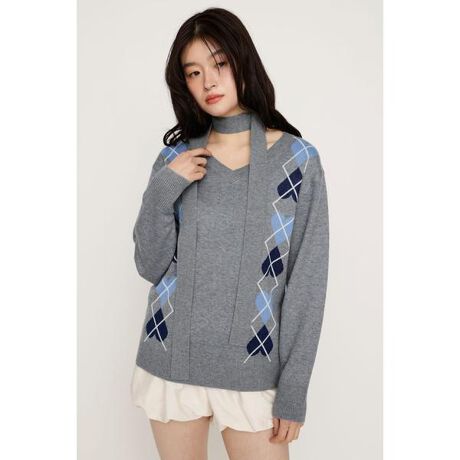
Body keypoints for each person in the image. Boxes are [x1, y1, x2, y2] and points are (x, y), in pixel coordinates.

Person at [130, 7, 330, 459]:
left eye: (219, 63)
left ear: (242, 61)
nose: (208, 82)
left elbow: (307, 284)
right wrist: (163, 189)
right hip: (171, 364)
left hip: (253, 371)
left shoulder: (297, 162)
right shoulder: (175, 161)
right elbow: (149, 265)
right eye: (194, 72)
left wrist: (294, 388)